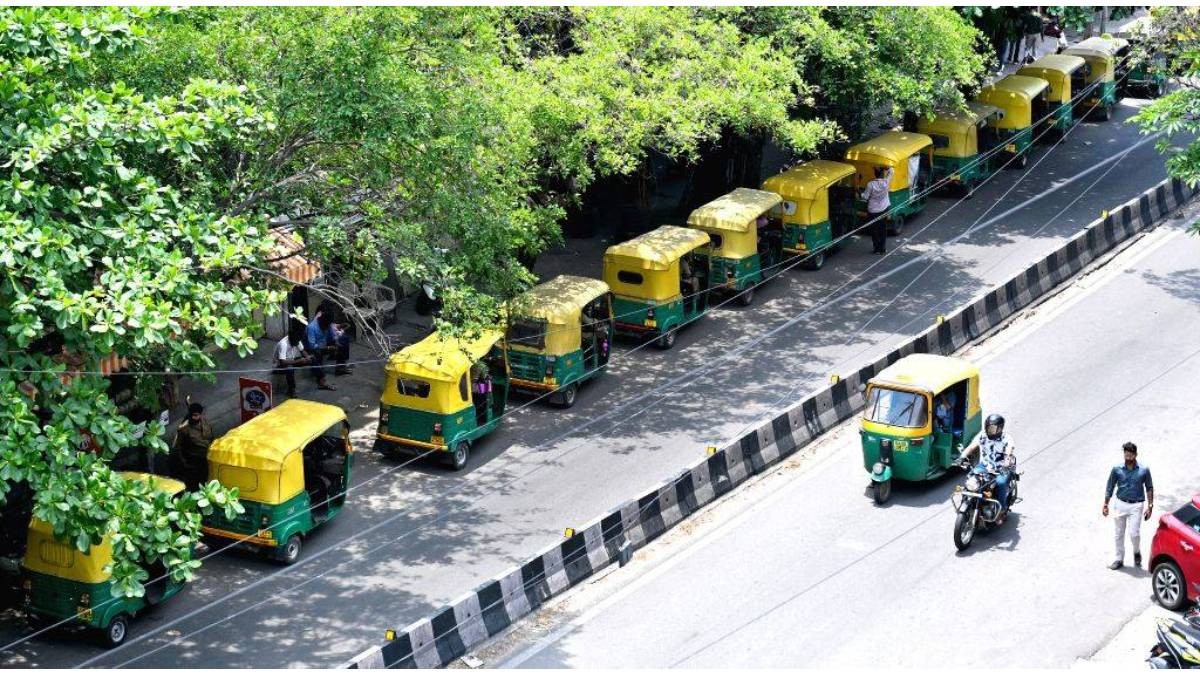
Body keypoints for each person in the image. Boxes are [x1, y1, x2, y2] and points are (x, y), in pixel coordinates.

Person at [1103, 442, 1154, 570]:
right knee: (1118, 533)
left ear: (1135, 455)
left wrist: (1150, 506)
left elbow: (1149, 487)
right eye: (1126, 454)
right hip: (1120, 504)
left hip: (1136, 505)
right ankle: (1119, 559)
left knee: (1134, 533)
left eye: (1131, 455)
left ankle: (1136, 552)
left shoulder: (1144, 470)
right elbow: (1110, 486)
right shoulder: (1116, 469)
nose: (1128, 457)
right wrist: (1105, 504)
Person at [957, 413, 1016, 524]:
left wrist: (1006, 464)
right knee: (971, 479)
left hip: (1001, 468)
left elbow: (1009, 453)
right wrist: (961, 457)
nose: (989, 430)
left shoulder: (1007, 438)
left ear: (1000, 428)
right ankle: (967, 503)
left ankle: (1001, 510)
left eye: (992, 428)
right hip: (984, 466)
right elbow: (971, 447)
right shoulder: (982, 435)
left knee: (1001, 482)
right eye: (988, 427)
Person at [304, 310, 351, 391]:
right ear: (321, 321)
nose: (327, 328)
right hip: (314, 349)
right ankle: (321, 382)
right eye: (325, 326)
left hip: (325, 345)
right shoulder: (311, 327)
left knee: (344, 339)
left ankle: (340, 368)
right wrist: (328, 348)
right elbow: (312, 346)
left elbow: (333, 336)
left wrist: (336, 343)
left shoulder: (328, 324)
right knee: (316, 353)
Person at [171, 402, 213, 491]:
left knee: (205, 481)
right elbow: (178, 447)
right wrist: (185, 463)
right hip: (193, 462)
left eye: (197, 415)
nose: (195, 418)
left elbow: (210, 436)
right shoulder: (184, 429)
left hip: (206, 459)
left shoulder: (204, 422)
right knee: (193, 485)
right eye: (193, 415)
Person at [862, 166, 893, 255]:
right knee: (883, 229)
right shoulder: (886, 182)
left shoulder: (870, 184)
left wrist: (861, 194)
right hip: (884, 209)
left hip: (873, 211)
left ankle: (876, 249)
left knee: (874, 230)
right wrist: (885, 167)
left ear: (874, 174)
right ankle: (882, 249)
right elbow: (891, 171)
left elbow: (865, 197)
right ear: (883, 174)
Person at [273, 330, 311, 398]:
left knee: (312, 358)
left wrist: (308, 357)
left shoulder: (296, 339)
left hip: (291, 360)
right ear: (291, 339)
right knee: (290, 368)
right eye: (296, 342)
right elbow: (283, 362)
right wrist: (299, 361)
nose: (298, 343)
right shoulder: (283, 344)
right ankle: (291, 390)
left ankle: (321, 381)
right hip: (279, 366)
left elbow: (302, 351)